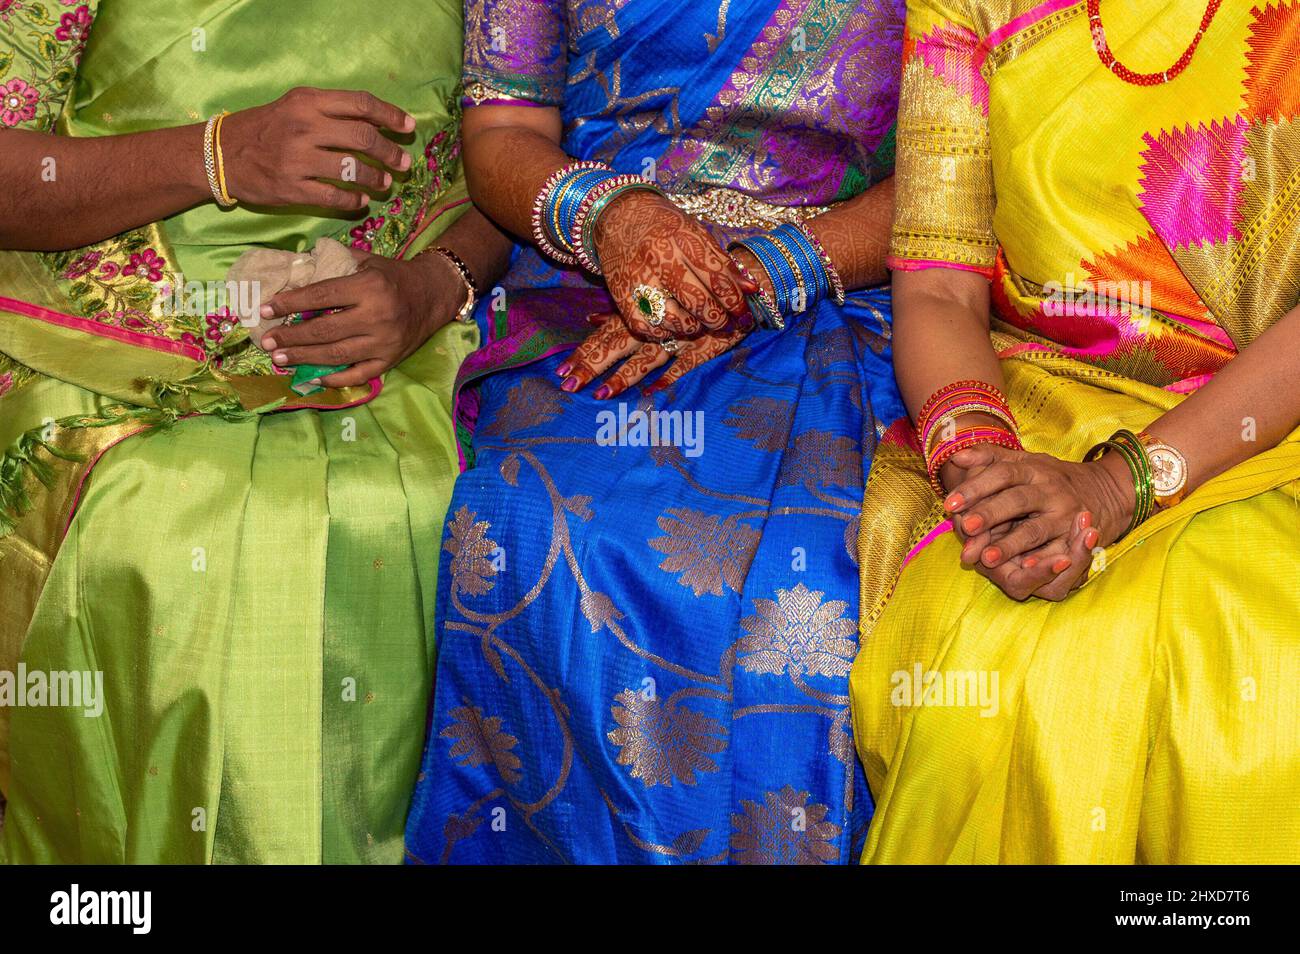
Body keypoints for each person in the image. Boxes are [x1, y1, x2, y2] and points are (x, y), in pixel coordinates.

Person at [0, 0, 511, 863]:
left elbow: (524, 153)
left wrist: (433, 285)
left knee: (446, 516)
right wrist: (218, 153)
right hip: (101, 335)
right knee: (151, 532)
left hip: (410, 328)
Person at [403, 0, 905, 864]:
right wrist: (616, 220)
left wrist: (758, 278)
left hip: (841, 283)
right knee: (532, 529)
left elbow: (956, 167)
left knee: (824, 587)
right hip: (590, 283)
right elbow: (501, 137)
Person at [850, 0, 1300, 863]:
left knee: (1260, 682)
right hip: (1042, 407)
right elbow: (939, 290)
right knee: (984, 676)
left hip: (1274, 411)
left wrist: (1118, 484)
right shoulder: (968, 9)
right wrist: (996, 490)